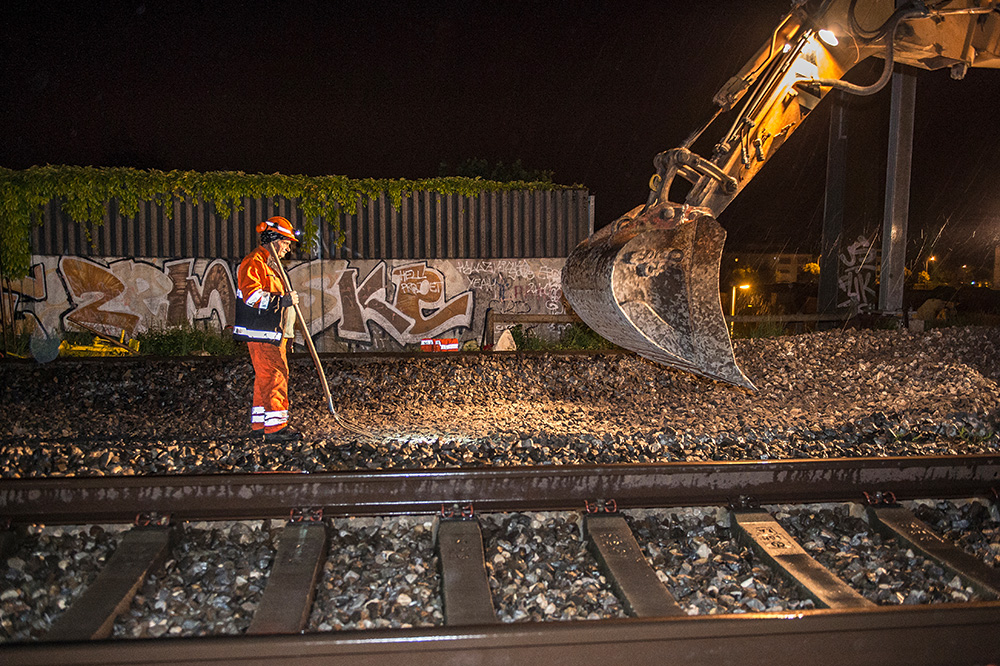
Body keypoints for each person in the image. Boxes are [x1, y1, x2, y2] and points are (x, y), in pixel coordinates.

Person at [233, 216, 303, 442]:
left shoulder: (272, 265)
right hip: (262, 333)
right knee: (275, 376)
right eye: (286, 242)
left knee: (264, 378)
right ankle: (276, 429)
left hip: (273, 333)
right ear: (273, 239)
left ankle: (259, 425)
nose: (288, 248)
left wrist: (288, 334)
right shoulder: (254, 262)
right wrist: (280, 301)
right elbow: (251, 296)